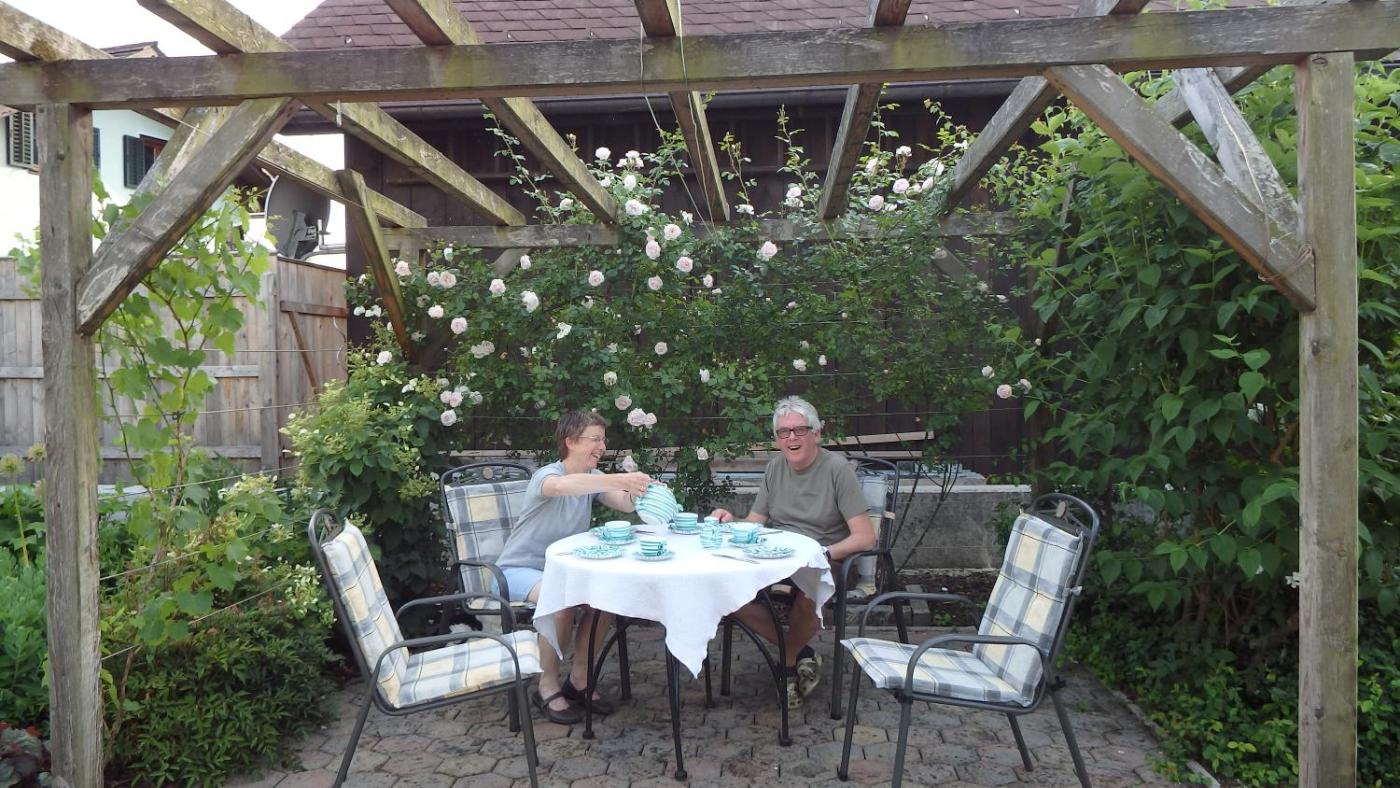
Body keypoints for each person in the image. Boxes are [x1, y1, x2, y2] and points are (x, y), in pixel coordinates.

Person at [709, 395, 876, 708]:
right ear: (777, 439)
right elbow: (754, 523)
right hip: (779, 559)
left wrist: (824, 554)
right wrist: (731, 522)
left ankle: (786, 666)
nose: (792, 438)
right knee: (726, 591)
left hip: (828, 560)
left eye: (800, 430)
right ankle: (801, 652)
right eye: (784, 432)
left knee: (810, 593)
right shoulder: (775, 468)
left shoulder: (837, 469)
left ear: (816, 434)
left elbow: (865, 538)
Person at [494, 411, 654, 724]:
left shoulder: (592, 478)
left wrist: (642, 491)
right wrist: (621, 478)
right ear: (570, 442)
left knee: (605, 598)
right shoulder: (547, 476)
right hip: (515, 571)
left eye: (603, 440)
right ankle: (546, 685)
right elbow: (562, 487)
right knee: (561, 601)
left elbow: (623, 502)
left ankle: (579, 680)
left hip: (563, 572)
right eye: (595, 439)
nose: (602, 446)